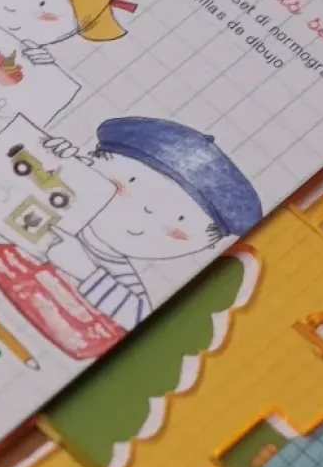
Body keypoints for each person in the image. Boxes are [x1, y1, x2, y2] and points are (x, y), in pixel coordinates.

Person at [53, 114, 262, 329]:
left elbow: (138, 319)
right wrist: (53, 165)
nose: (146, 211)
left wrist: (88, 273)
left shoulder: (121, 282)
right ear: (89, 160)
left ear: (206, 245)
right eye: (126, 185)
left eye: (176, 227)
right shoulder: (61, 203)